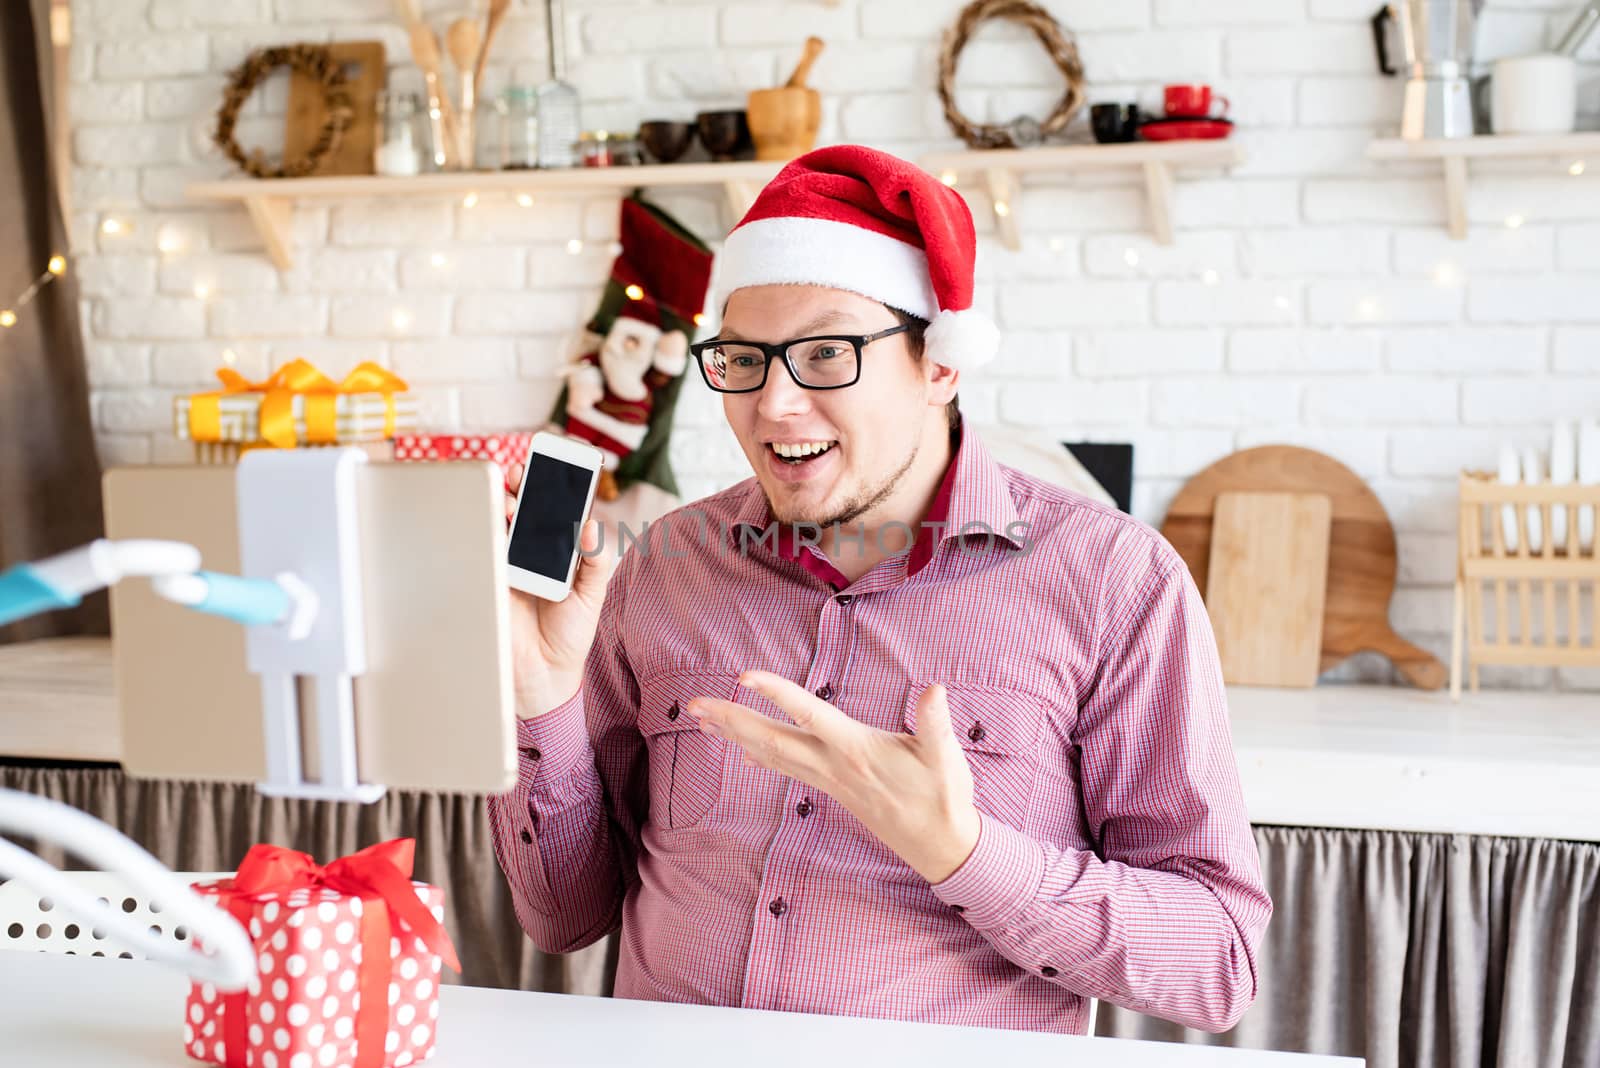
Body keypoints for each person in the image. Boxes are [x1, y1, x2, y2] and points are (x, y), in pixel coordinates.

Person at [487, 145, 1271, 1035]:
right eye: (742, 359)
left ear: (939, 365)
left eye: (826, 352)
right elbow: (564, 919)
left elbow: (1219, 961)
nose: (774, 403)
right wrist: (538, 702)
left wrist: (963, 852)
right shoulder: (666, 563)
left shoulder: (1114, 583)